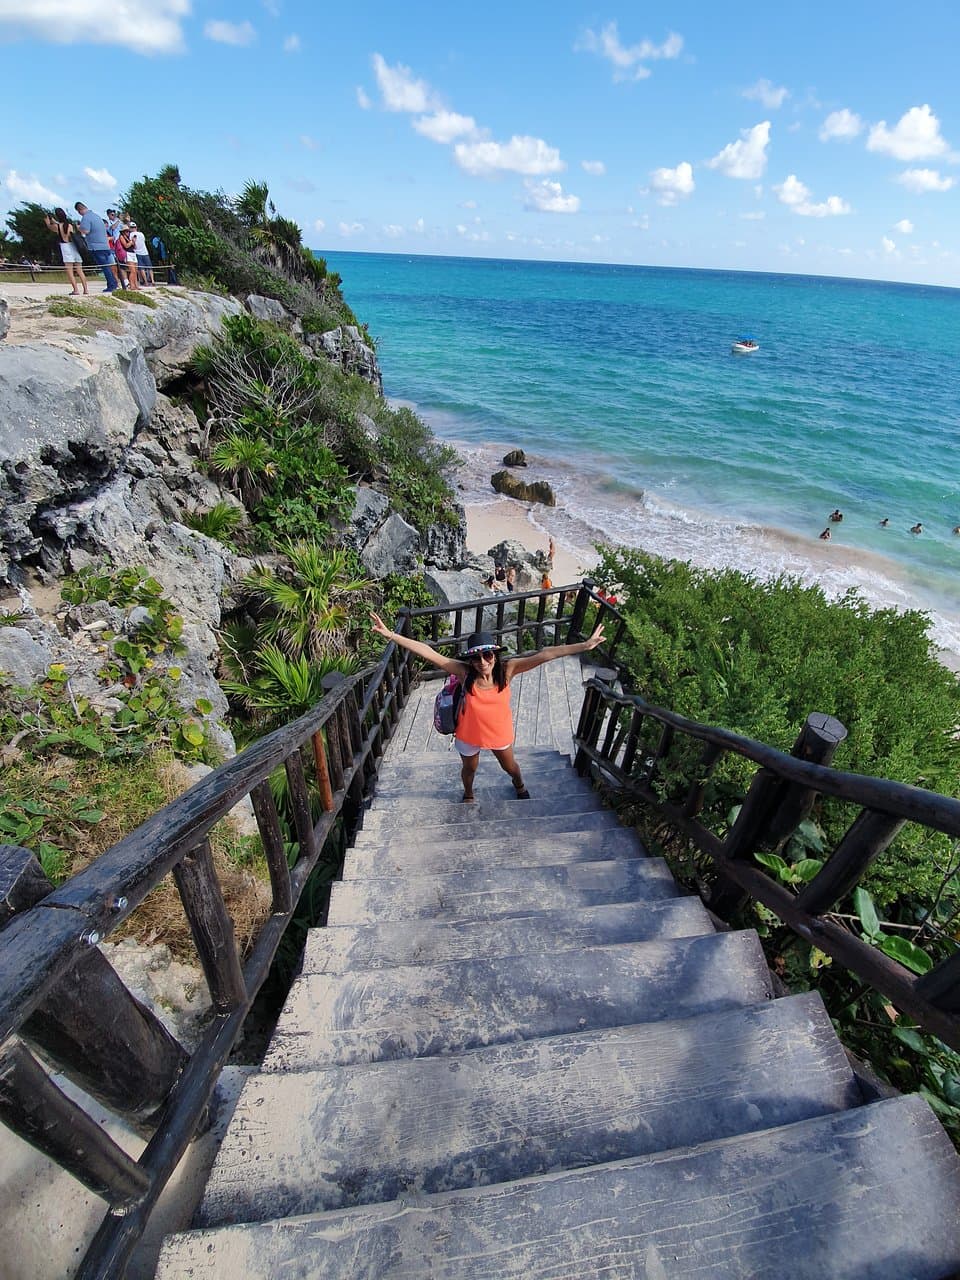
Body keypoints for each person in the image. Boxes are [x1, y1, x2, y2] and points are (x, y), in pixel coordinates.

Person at [370, 615, 605, 803]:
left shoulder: (508, 670)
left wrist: (585, 645)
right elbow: (428, 652)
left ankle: (519, 785)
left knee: (510, 767)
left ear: (495, 655)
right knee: (469, 769)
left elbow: (546, 654)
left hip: (498, 732)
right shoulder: (464, 674)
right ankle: (469, 794)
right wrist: (391, 634)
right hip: (469, 732)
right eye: (476, 658)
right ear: (470, 661)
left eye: (487, 655)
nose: (482, 662)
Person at [44, 208, 89, 295]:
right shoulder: (70, 225)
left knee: (70, 271)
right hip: (74, 247)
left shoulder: (57, 226)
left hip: (65, 247)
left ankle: (76, 290)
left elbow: (51, 227)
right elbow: (64, 227)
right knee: (80, 270)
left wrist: (48, 221)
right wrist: (54, 221)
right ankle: (85, 289)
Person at [74, 202, 118, 292]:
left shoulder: (86, 218)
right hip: (105, 245)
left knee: (105, 267)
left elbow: (86, 231)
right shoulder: (96, 216)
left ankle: (111, 285)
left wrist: (78, 228)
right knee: (109, 266)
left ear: (79, 210)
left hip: (96, 246)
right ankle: (114, 283)